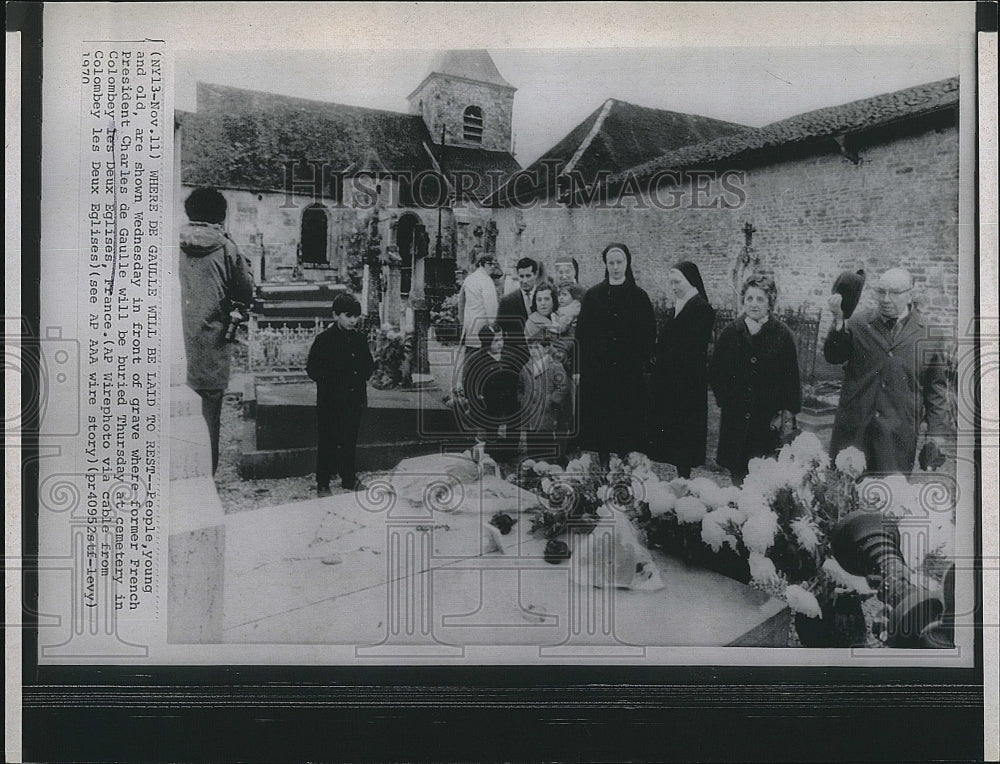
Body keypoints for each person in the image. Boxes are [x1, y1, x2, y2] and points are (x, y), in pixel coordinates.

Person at [823, 267, 951, 475]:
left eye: (894, 293)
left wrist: (936, 433)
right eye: (881, 292)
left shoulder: (930, 335)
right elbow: (833, 357)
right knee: (841, 499)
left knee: (890, 502)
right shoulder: (859, 323)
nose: (885, 299)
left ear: (910, 294)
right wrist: (838, 321)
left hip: (897, 438)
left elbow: (935, 389)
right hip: (854, 434)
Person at [179, 187, 255, 475]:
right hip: (212, 347)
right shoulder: (226, 247)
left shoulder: (172, 243)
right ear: (221, 215)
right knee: (210, 416)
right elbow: (245, 292)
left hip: (179, 345)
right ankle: (206, 481)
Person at [709, 274, 801, 484]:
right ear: (743, 300)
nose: (754, 304)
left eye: (760, 299)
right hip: (736, 419)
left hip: (766, 421)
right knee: (738, 477)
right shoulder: (731, 333)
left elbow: (791, 378)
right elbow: (716, 371)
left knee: (765, 480)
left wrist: (786, 412)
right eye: (749, 298)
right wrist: (726, 399)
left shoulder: (782, 335)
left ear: (770, 302)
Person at [576, 243, 657, 463]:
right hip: (599, 371)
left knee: (625, 421)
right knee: (602, 421)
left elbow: (649, 332)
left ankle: (624, 465)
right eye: (611, 263)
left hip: (627, 372)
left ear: (627, 263)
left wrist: (637, 357)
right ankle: (603, 462)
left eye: (619, 262)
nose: (615, 267)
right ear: (605, 264)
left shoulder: (639, 296)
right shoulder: (594, 295)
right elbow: (583, 333)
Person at [649, 262, 716, 479]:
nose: (674, 286)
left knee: (685, 435)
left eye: (677, 282)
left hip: (687, 382)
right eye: (671, 282)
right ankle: (680, 478)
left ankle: (684, 480)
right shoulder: (680, 305)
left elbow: (690, 346)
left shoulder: (701, 308)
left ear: (690, 281)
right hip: (672, 381)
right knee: (674, 433)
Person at [306, 293, 375, 494]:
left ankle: (348, 478)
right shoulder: (324, 340)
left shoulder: (359, 339)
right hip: (331, 399)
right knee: (328, 439)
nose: (353, 320)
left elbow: (368, 364)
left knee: (349, 438)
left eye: (356, 316)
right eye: (348, 316)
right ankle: (323, 481)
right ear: (336, 315)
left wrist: (363, 375)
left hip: (354, 398)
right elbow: (312, 368)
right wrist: (330, 382)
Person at [462, 325, 521, 458]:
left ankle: (510, 453)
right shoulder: (477, 360)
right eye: (495, 341)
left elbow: (518, 380)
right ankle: (489, 453)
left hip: (510, 401)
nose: (500, 343)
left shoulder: (510, 358)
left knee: (512, 431)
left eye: (501, 339)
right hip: (488, 404)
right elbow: (470, 384)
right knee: (489, 433)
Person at [518, 336, 570, 459]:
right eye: (530, 348)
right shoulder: (527, 367)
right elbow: (520, 386)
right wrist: (523, 399)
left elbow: (562, 386)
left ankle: (546, 465)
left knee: (545, 443)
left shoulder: (554, 366)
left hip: (547, 412)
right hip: (530, 412)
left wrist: (551, 400)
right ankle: (532, 465)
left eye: (536, 348)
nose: (533, 351)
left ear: (546, 349)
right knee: (532, 443)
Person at [456, 250, 500, 393]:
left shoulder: (469, 279)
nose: (492, 267)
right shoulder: (486, 281)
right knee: (481, 357)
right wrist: (494, 325)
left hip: (470, 325)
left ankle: (465, 385)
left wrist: (462, 320)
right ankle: (476, 388)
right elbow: (491, 306)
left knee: (469, 355)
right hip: (482, 326)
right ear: (482, 264)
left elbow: (460, 301)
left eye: (493, 264)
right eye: (489, 264)